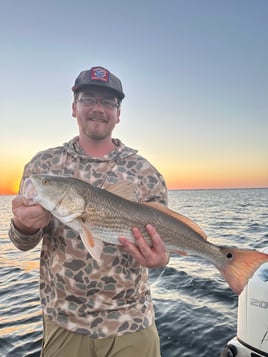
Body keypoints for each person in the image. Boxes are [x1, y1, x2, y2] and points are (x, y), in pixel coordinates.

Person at [9, 66, 169, 357]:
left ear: (118, 113)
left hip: (131, 322)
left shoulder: (146, 173)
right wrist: (25, 227)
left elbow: (164, 244)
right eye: (88, 99)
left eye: (108, 102)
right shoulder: (42, 168)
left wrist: (160, 259)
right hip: (64, 322)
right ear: (74, 108)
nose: (98, 108)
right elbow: (21, 242)